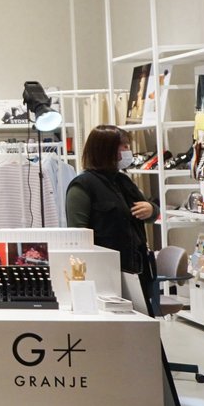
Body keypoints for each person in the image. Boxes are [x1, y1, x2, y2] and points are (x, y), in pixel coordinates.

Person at [66, 124, 160, 310]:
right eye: (124, 146)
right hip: (105, 272)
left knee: (142, 320)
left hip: (136, 269)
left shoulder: (124, 181)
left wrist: (151, 209)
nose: (128, 151)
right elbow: (78, 235)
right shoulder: (82, 186)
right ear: (107, 149)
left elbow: (149, 213)